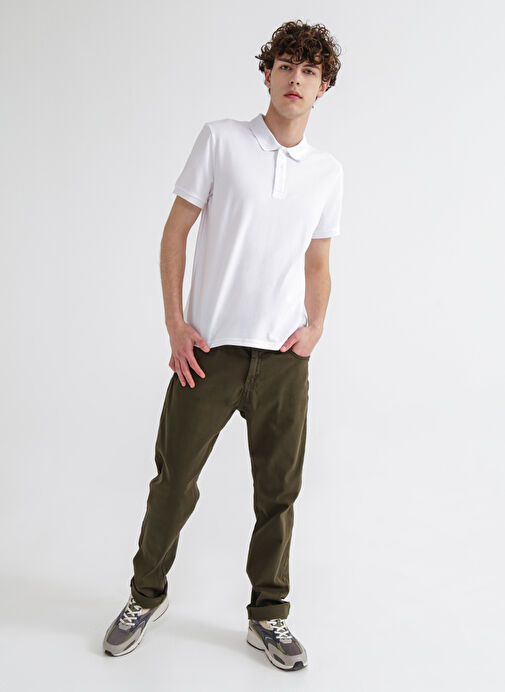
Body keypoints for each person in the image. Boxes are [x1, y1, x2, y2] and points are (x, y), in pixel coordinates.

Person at [103, 19, 343, 671]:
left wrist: (315, 328)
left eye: (310, 71)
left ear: (323, 87)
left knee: (278, 493)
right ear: (266, 73)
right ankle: (145, 597)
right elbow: (175, 231)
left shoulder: (326, 172)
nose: (296, 80)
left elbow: (318, 262)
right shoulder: (220, 140)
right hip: (207, 353)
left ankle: (268, 614)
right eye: (286, 65)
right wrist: (175, 324)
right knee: (174, 481)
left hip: (282, 361)